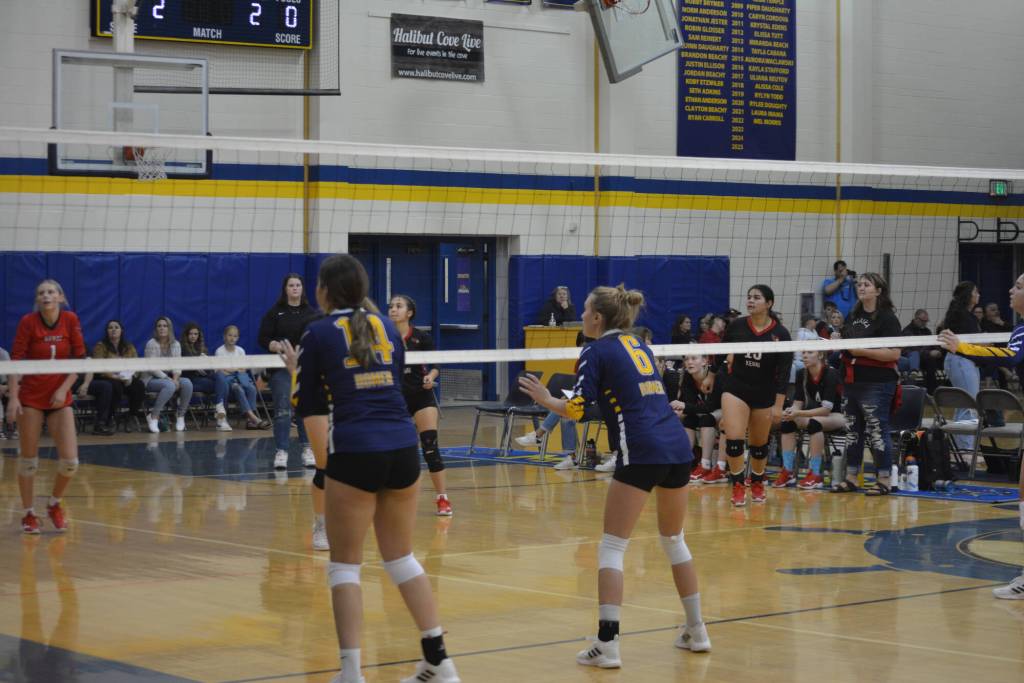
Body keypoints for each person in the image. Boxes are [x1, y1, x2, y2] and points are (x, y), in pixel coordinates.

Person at [519, 284, 710, 669]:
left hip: (642, 448)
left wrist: (544, 399)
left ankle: (607, 644)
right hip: (675, 446)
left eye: (586, 310)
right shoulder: (639, 344)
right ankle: (697, 630)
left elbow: (576, 408)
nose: (582, 315)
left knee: (612, 546)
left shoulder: (594, 349)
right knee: (674, 540)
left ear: (596, 318)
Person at [294, 254, 460, 682]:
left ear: (324, 291)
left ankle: (351, 673)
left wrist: (328, 468)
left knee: (345, 566)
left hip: (357, 449)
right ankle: (441, 663)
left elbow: (311, 409)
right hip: (404, 449)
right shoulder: (386, 327)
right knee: (402, 558)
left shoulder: (316, 333)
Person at [938, 272, 1024, 600]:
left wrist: (964, 347)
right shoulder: (1018, 329)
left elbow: (1008, 357)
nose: (1009, 289)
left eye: (1017, 286)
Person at [9, 279, 85, 534]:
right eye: (41, 292)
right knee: (29, 461)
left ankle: (54, 504)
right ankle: (29, 514)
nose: (46, 296)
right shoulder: (27, 322)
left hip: (59, 398)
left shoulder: (70, 320)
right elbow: (15, 361)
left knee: (70, 462)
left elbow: (79, 361)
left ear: (60, 297)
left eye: (51, 292)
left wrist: (63, 388)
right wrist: (13, 397)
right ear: (37, 299)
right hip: (31, 397)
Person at [707, 285, 793, 507]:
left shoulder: (780, 334)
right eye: (749, 297)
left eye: (756, 298)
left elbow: (783, 374)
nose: (750, 301)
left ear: (769, 303)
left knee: (758, 445)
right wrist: (710, 375)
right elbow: (719, 354)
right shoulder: (736, 326)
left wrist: (778, 406)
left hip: (764, 392)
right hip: (736, 387)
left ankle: (756, 480)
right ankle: (737, 484)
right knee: (734, 438)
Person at [833, 273, 901, 495]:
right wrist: (837, 342)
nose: (861, 288)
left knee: (876, 430)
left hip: (877, 383)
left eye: (866, 284)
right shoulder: (853, 314)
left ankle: (884, 479)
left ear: (878, 291)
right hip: (851, 381)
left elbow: (894, 354)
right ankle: (852, 477)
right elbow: (848, 345)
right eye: (859, 285)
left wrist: (861, 351)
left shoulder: (887, 318)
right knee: (852, 430)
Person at [387, 295, 452, 516]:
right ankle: (391, 496)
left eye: (398, 306)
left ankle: (442, 499)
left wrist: (430, 376)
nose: (393, 309)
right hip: (396, 400)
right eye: (391, 306)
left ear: (410, 313)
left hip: (421, 398)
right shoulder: (383, 338)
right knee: (393, 451)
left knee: (430, 446)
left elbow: (435, 365)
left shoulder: (421, 338)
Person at [259, 273, 319, 470]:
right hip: (281, 368)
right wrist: (272, 344)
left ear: (302, 289)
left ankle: (307, 449)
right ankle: (281, 451)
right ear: (285, 289)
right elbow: (263, 338)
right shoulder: (275, 312)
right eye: (291, 285)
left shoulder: (311, 313)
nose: (295, 288)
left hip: (306, 368)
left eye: (298, 285)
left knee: (305, 408)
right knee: (283, 409)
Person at [774, 351, 845, 489]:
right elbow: (798, 402)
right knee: (787, 422)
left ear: (820, 355)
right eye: (804, 352)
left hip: (838, 415)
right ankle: (788, 471)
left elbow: (826, 410)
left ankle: (816, 474)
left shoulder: (830, 373)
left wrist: (798, 413)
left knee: (814, 423)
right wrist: (791, 411)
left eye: (810, 352)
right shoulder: (802, 373)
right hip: (813, 414)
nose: (804, 356)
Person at [940, 282, 982, 452]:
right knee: (968, 405)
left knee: (963, 405)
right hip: (961, 361)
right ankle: (966, 450)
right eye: (976, 291)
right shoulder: (962, 315)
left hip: (959, 361)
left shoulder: (962, 314)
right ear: (968, 296)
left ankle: (960, 448)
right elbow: (969, 342)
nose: (979, 294)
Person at [669, 354, 723, 484]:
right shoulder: (688, 376)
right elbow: (690, 403)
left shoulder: (717, 375)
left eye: (694, 358)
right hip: (705, 411)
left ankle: (705, 465)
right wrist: (681, 410)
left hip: (724, 410)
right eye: (686, 359)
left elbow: (711, 407)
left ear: (705, 361)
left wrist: (685, 406)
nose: (689, 362)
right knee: (688, 419)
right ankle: (684, 463)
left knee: (706, 419)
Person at [90, 320, 147, 432]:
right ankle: (111, 417)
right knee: (115, 386)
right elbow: (98, 367)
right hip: (108, 377)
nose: (114, 329)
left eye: (116, 327)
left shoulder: (129, 346)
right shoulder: (100, 346)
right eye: (110, 328)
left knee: (139, 385)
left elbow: (136, 364)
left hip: (126, 378)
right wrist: (116, 377)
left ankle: (131, 416)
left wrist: (131, 376)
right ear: (107, 331)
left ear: (121, 331)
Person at [141, 317, 194, 433]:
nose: (162, 328)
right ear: (156, 329)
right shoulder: (152, 343)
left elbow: (177, 365)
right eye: (159, 326)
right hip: (150, 379)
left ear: (169, 328)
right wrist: (169, 379)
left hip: (168, 378)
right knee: (170, 386)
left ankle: (180, 416)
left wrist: (175, 378)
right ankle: (154, 416)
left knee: (187, 383)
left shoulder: (176, 344)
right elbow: (152, 368)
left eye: (165, 326)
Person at [215, 325, 271, 431]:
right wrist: (236, 369)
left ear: (238, 338)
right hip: (228, 381)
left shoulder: (240, 350)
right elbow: (221, 370)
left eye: (235, 336)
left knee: (251, 388)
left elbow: (244, 368)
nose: (232, 338)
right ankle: (253, 418)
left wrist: (232, 369)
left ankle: (250, 422)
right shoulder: (220, 351)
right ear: (224, 337)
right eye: (230, 335)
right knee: (238, 388)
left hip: (240, 378)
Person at [180, 322, 231, 431]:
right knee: (223, 385)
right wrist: (199, 363)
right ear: (186, 335)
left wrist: (206, 367)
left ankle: (220, 412)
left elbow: (208, 370)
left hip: (202, 378)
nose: (193, 336)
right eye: (191, 334)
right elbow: (187, 369)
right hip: (190, 380)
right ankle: (221, 419)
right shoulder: (182, 348)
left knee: (221, 380)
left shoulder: (202, 348)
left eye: (196, 334)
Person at [899, 309, 943, 394]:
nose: (924, 323)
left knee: (936, 359)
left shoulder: (927, 331)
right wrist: (929, 353)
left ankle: (935, 391)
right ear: (916, 319)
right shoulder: (907, 331)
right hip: (912, 358)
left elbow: (933, 344)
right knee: (929, 361)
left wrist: (938, 351)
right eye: (923, 321)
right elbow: (912, 350)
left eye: (926, 321)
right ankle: (927, 391)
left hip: (926, 358)